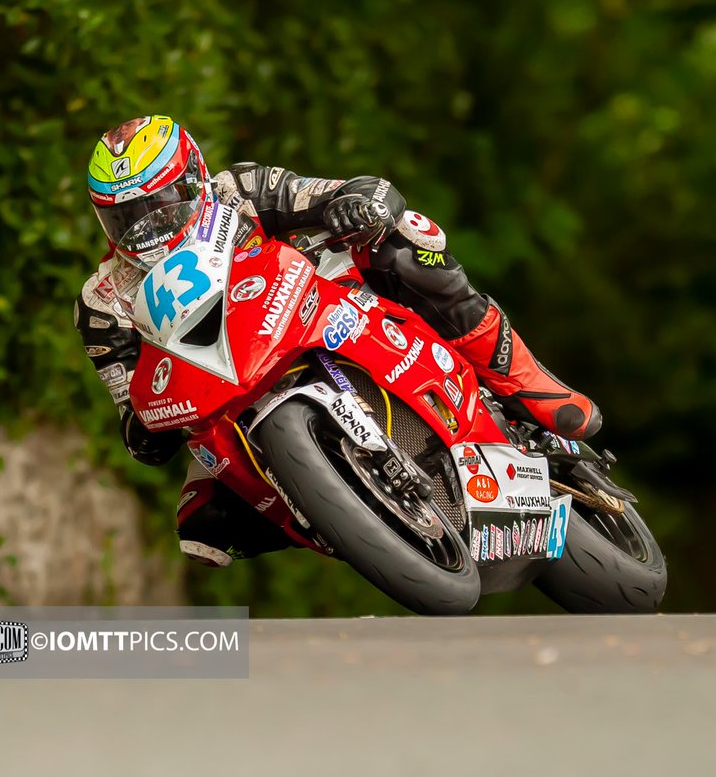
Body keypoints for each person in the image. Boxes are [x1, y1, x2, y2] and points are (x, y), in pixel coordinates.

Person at [75, 116, 601, 567]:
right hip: (220, 393)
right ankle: (345, 512)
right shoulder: (101, 302)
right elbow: (128, 403)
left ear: (194, 179)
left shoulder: (240, 190)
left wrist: (356, 201)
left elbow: (340, 192)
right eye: (124, 218)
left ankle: (524, 380)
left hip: (316, 301)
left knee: (407, 237)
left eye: (159, 208)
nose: (145, 229)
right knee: (203, 528)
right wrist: (143, 432)